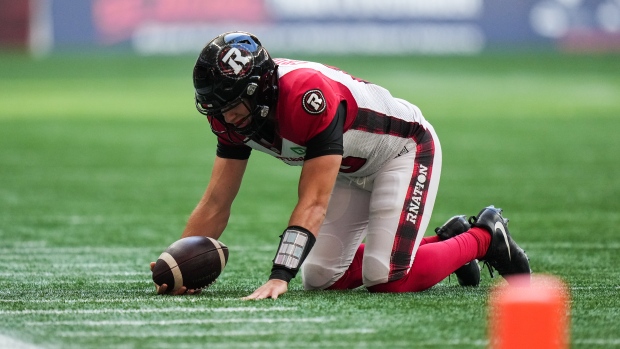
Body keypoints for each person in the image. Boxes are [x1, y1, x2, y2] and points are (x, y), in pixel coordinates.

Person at [151, 31, 531, 298]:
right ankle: (445, 243)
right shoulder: (233, 117)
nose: (225, 117)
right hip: (350, 167)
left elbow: (313, 200)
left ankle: (484, 237)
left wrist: (280, 275)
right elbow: (217, 201)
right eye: (216, 106)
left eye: (231, 105)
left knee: (387, 279)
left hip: (404, 151)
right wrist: (180, 264)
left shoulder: (307, 96)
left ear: (260, 90)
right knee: (322, 278)